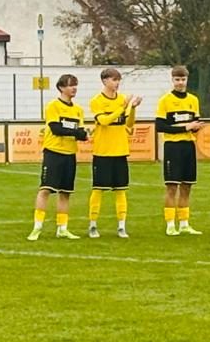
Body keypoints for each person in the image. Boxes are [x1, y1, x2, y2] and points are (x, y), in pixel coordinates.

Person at [28, 74, 88, 241]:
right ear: (61, 87)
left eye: (75, 85)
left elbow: (81, 132)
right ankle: (37, 227)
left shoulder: (78, 110)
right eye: (70, 85)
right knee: (45, 189)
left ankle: (62, 228)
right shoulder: (53, 106)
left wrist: (79, 134)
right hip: (53, 152)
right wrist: (76, 133)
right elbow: (55, 128)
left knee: (65, 192)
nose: (74, 88)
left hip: (70, 154)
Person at [87, 66, 140, 239]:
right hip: (102, 152)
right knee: (98, 189)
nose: (116, 83)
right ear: (104, 81)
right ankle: (93, 225)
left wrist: (132, 108)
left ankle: (121, 226)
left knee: (120, 190)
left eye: (118, 80)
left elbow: (129, 125)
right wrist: (121, 107)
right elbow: (104, 121)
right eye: (113, 80)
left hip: (120, 151)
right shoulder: (97, 100)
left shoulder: (123, 99)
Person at [155, 66, 206, 236]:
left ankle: (184, 223)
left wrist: (196, 127)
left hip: (188, 147)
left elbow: (195, 123)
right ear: (172, 80)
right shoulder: (165, 101)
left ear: (187, 80)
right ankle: (170, 224)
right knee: (172, 186)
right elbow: (161, 126)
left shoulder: (193, 100)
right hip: (173, 147)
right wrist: (186, 127)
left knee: (187, 186)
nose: (180, 83)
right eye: (177, 79)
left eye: (183, 79)